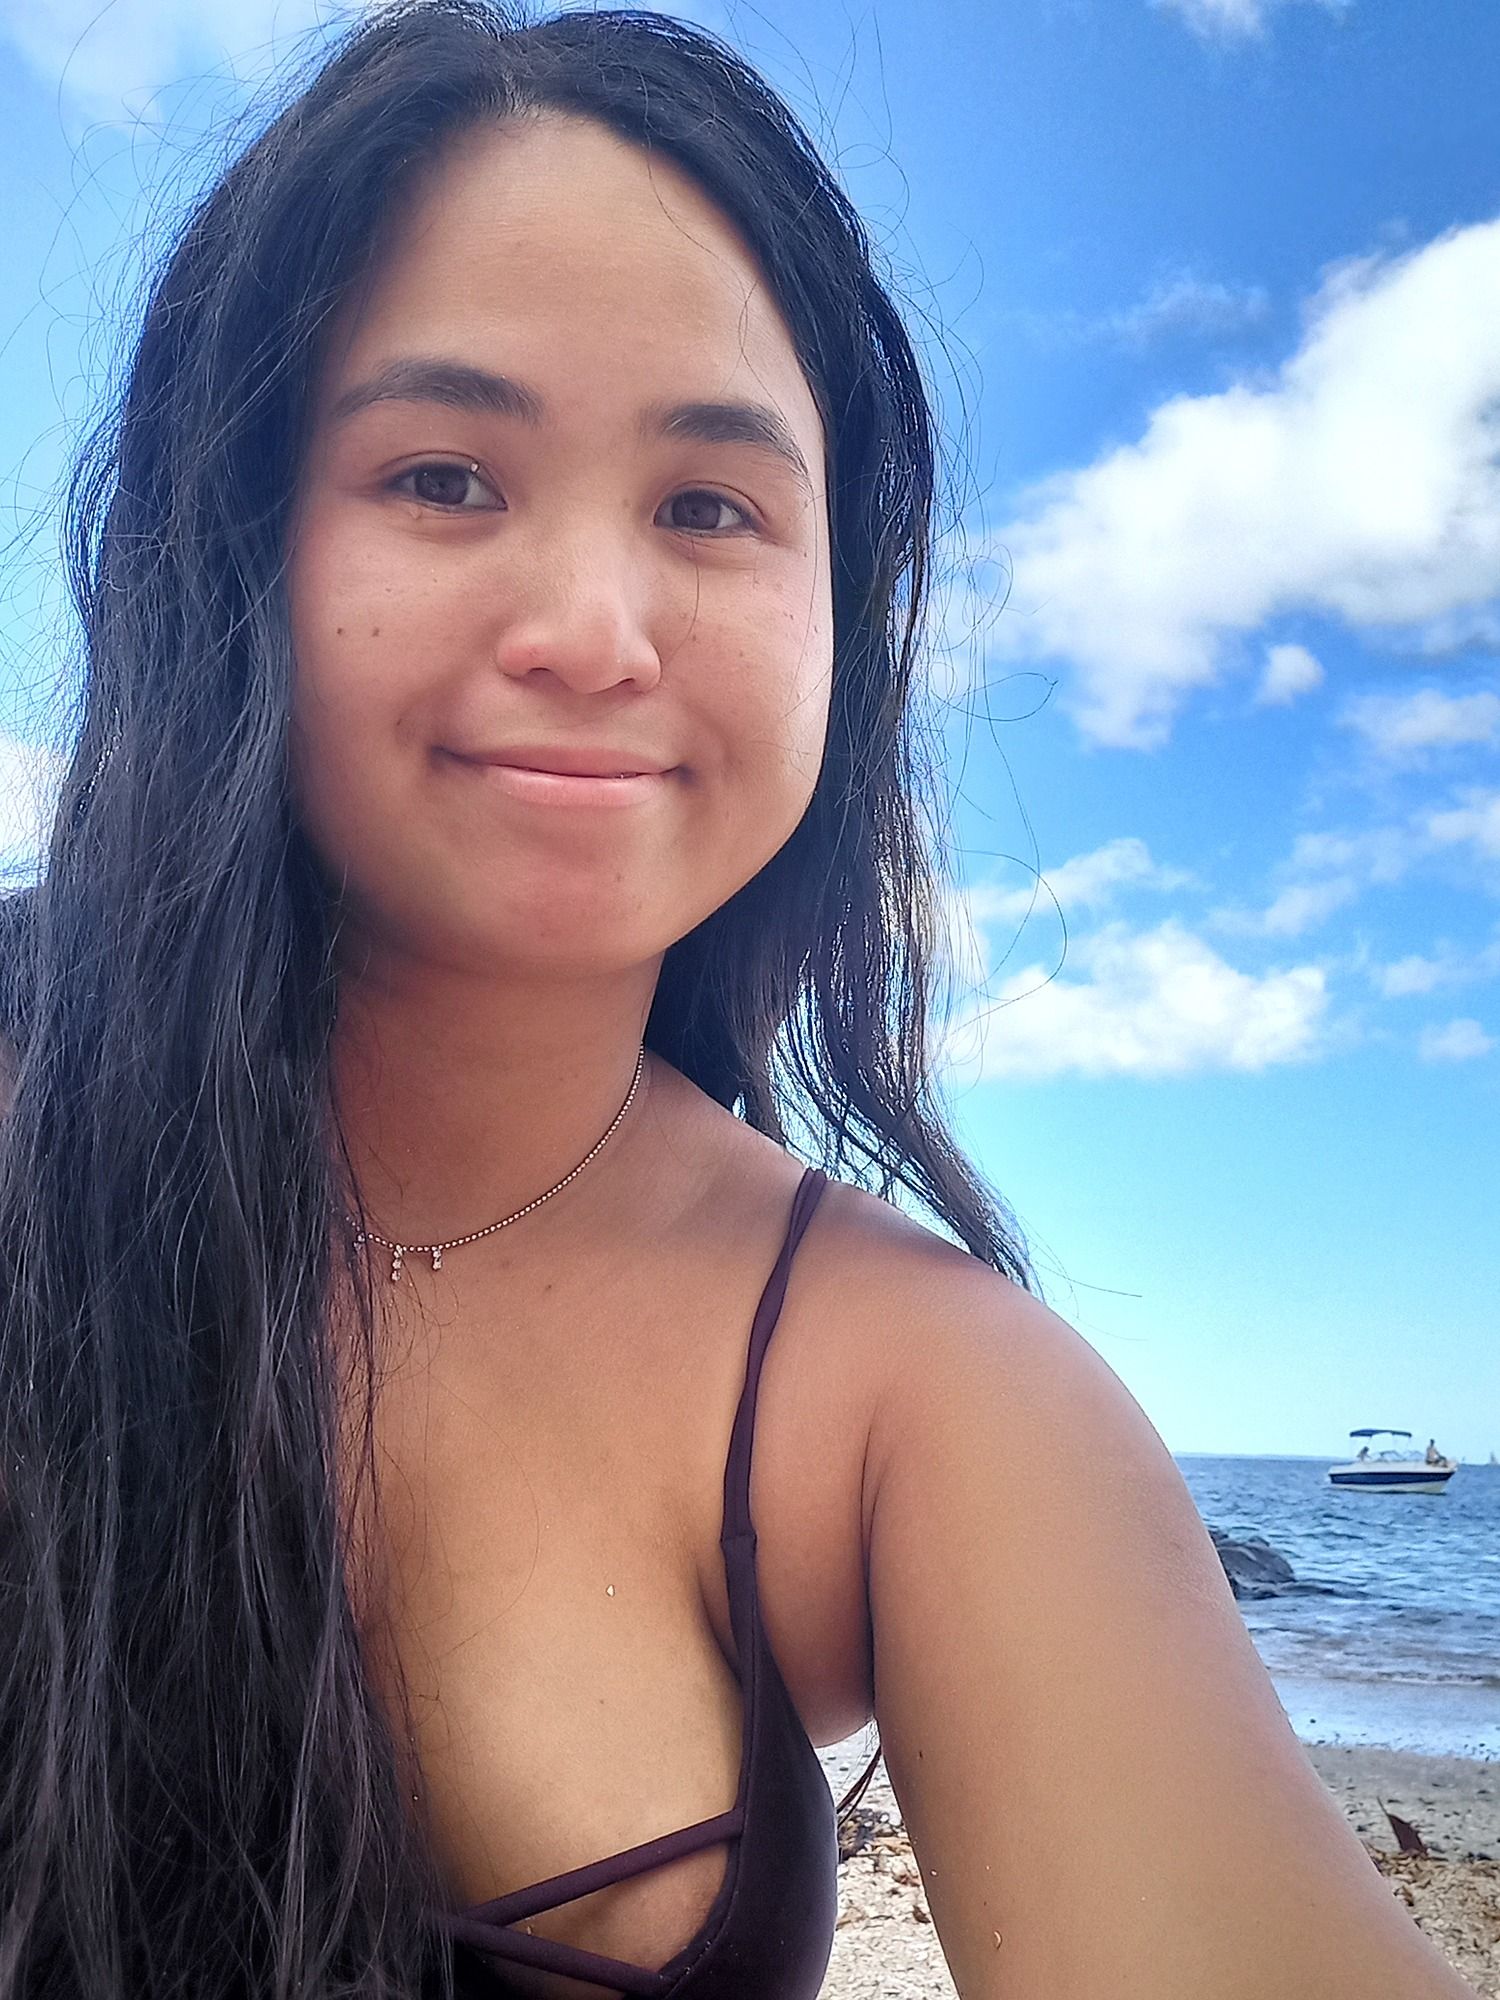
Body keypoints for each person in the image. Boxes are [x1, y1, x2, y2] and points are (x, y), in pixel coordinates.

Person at [0, 5, 1478, 1998]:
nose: (593, 632)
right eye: (444, 476)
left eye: (709, 506)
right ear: (233, 537)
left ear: (842, 621)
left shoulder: (914, 1395)